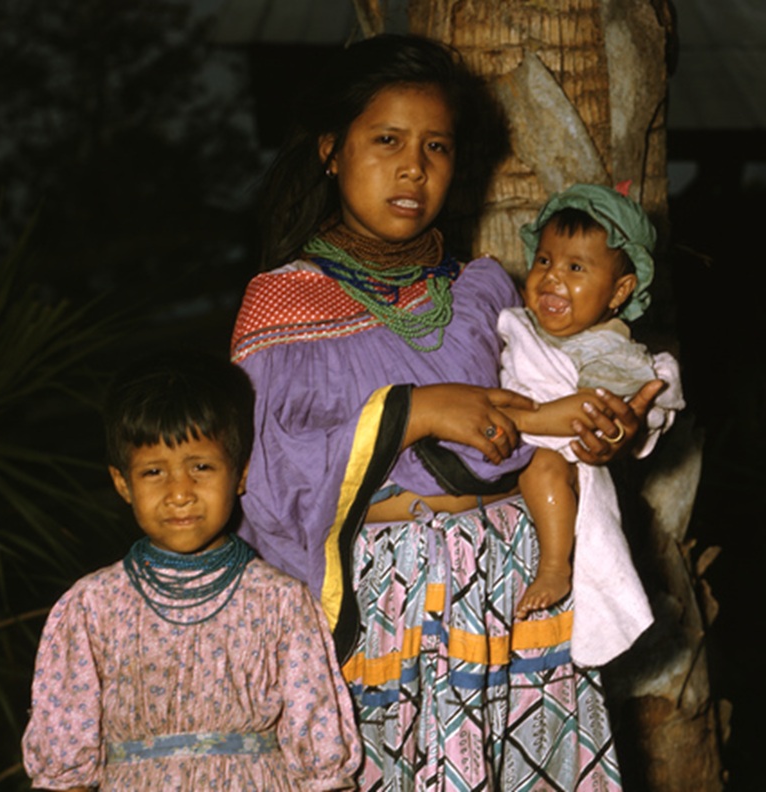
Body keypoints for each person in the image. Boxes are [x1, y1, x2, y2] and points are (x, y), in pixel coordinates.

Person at [231, 34, 662, 789]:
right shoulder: (281, 302)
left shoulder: (483, 290)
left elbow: (539, 408)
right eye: (387, 140)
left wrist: (605, 429)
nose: (413, 167)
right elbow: (262, 476)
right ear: (332, 150)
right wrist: (413, 410)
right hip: (383, 612)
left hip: (513, 598)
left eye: (437, 146)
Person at [21, 352, 361, 791]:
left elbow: (320, 757)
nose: (179, 493)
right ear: (122, 483)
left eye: (201, 467)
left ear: (240, 475)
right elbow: (62, 769)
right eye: (153, 472)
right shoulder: (91, 607)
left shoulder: (281, 602)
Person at [503, 182, 685, 666]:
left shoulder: (610, 348)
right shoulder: (525, 328)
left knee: (543, 468)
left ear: (620, 292)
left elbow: (603, 404)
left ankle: (556, 566)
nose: (552, 278)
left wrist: (525, 416)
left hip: (561, 458)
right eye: (544, 261)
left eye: (576, 268)